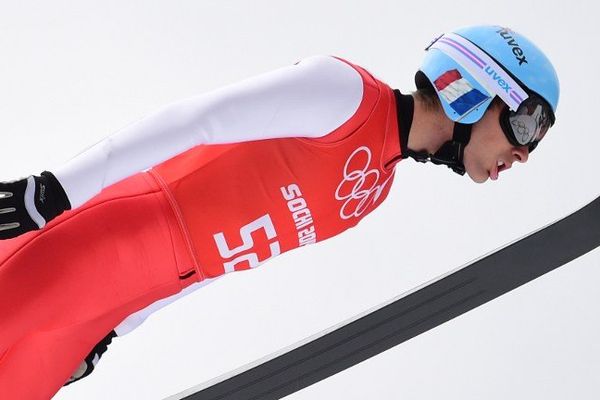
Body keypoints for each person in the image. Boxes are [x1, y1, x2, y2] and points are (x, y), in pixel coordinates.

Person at [0, 24, 559, 398]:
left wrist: (118, 327)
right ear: (480, 86)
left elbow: (229, 260)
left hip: (116, 300)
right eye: (528, 125)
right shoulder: (344, 93)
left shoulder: (372, 192)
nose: (524, 152)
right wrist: (54, 191)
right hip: (98, 236)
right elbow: (197, 119)